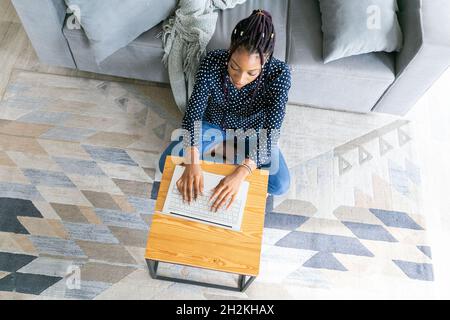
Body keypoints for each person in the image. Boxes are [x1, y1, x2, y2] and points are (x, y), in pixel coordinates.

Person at [158, 9, 292, 212]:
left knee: (281, 185)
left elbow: (271, 133)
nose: (240, 79)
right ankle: (223, 150)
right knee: (165, 164)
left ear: (266, 61)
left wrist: (241, 173)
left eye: (251, 73)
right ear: (230, 50)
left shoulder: (280, 74)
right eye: (234, 67)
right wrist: (193, 163)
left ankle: (224, 152)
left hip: (253, 134)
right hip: (213, 126)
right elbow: (193, 114)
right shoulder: (212, 61)